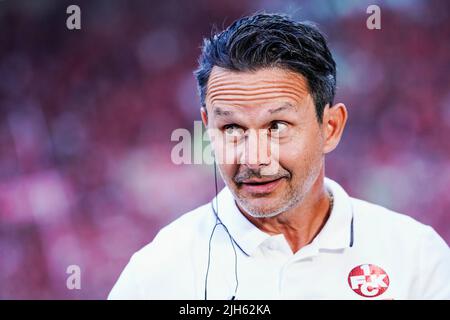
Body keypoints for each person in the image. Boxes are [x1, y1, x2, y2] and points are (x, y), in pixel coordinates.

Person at [108, 13, 450, 300]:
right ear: (207, 127)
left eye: (276, 126)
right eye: (231, 128)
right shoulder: (158, 273)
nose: (253, 159)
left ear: (330, 127)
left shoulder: (416, 259)